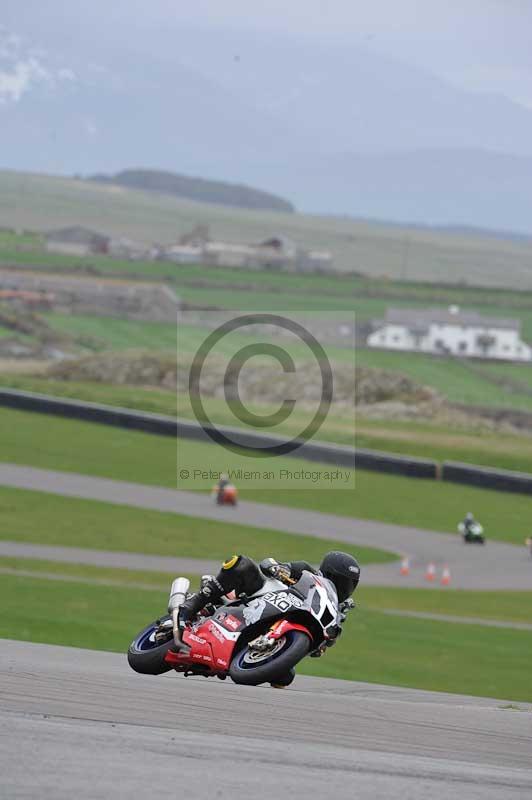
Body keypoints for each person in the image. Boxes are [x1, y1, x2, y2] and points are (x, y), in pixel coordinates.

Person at [178, 551, 361, 686]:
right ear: (330, 573)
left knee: (285, 678)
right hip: (259, 600)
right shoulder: (306, 571)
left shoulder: (336, 610)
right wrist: (278, 568)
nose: (346, 588)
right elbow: (269, 563)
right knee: (242, 564)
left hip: (276, 629)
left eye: (350, 584)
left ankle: (247, 654)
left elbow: (318, 647)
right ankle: (192, 605)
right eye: (344, 581)